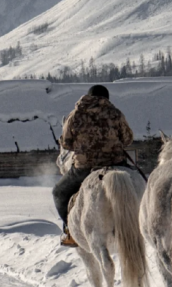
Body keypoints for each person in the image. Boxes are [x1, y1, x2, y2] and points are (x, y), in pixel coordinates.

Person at [53, 84, 134, 240]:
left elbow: (66, 143)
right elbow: (127, 139)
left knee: (59, 193)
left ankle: (70, 231)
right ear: (107, 98)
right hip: (115, 163)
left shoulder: (76, 114)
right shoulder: (115, 113)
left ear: (88, 97)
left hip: (85, 167)